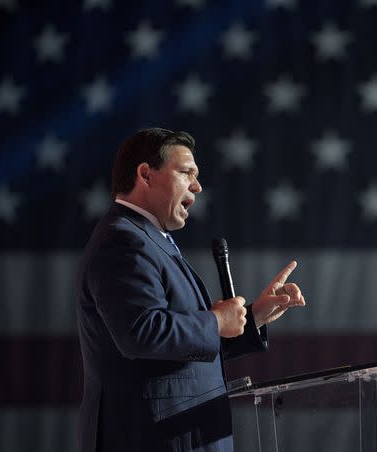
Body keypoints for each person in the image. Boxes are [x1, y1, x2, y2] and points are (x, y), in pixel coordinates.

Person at [75, 128, 305, 452]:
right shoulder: (123, 241)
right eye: (186, 173)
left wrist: (251, 318)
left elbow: (178, 350)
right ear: (145, 174)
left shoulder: (148, 239)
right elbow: (141, 333)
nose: (197, 187)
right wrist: (215, 322)